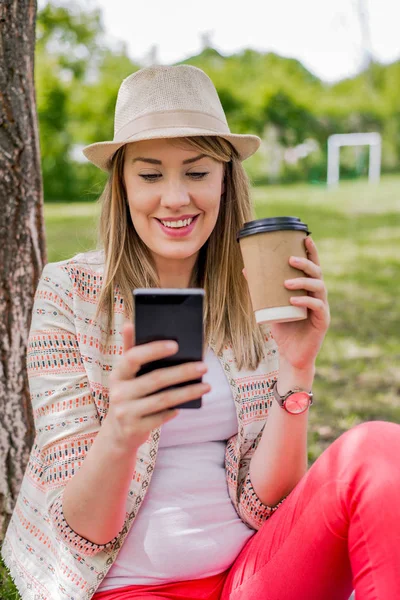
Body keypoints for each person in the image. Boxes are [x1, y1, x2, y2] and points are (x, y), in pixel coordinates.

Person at [1, 65, 400, 600]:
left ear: (224, 179)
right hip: (127, 587)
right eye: (150, 174)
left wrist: (297, 366)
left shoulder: (251, 291)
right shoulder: (69, 293)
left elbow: (266, 502)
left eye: (196, 172)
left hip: (249, 575)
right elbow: (83, 531)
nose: (175, 198)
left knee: (379, 446)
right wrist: (121, 429)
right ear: (121, 182)